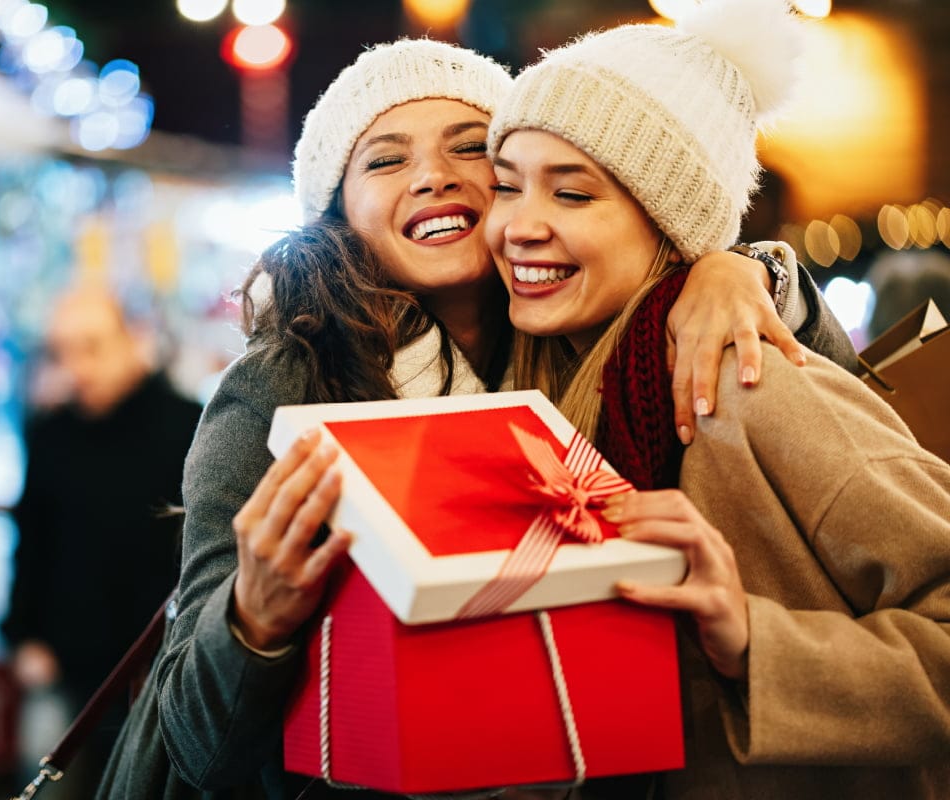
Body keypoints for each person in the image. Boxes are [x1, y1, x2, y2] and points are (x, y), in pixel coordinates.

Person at [101, 39, 857, 800]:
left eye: (472, 150)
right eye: (385, 161)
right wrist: (251, 622)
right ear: (337, 211)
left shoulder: (580, 337)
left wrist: (745, 272)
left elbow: (832, 397)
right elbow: (193, 743)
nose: (434, 176)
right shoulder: (283, 386)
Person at [482, 0, 950, 796]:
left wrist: (754, 644)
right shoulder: (533, 392)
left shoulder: (747, 386)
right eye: (505, 185)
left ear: (670, 224)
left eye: (572, 195)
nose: (518, 226)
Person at [3, 285, 202, 797]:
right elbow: (31, 540)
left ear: (134, 337)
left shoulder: (189, 425)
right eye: (62, 351)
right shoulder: (50, 433)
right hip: (63, 663)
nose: (77, 367)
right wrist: (24, 636)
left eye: (91, 347)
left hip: (160, 670)